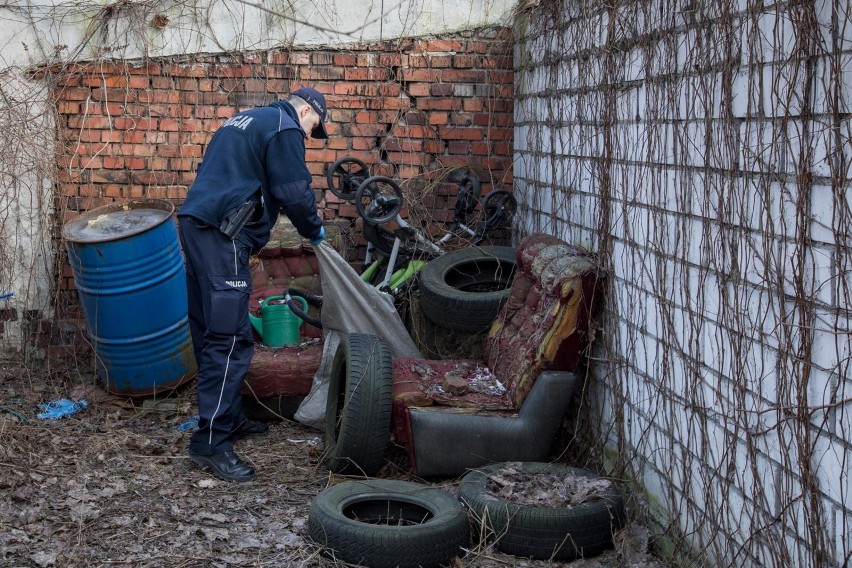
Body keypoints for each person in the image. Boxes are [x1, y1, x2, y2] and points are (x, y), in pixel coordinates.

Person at [177, 87, 328, 482]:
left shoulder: (243, 119)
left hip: (197, 224)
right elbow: (293, 191)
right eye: (315, 126)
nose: (310, 135)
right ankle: (211, 442)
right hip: (225, 233)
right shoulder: (284, 127)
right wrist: (315, 231)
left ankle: (230, 418)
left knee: (214, 328)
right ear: (307, 110)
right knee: (228, 340)